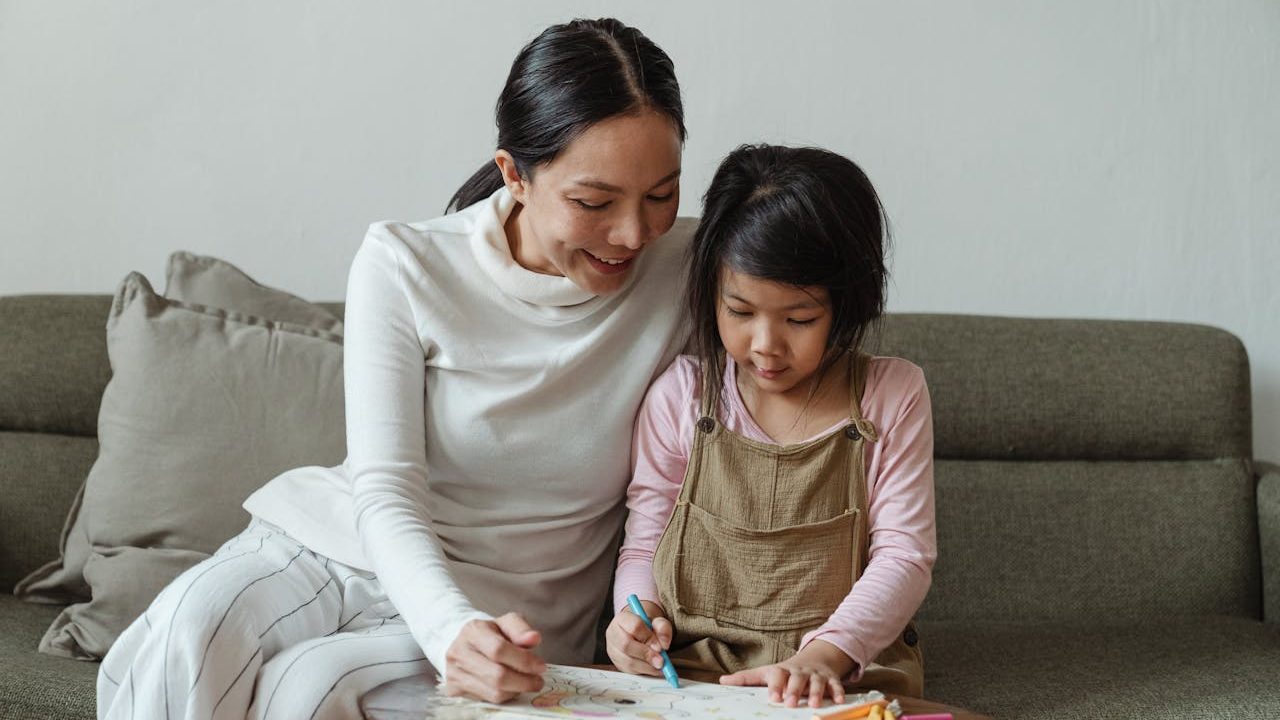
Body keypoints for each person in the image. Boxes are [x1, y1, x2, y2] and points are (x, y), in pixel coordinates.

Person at [97, 18, 692, 719]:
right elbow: (386, 487)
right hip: (339, 549)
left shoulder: (694, 271)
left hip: (510, 618)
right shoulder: (405, 261)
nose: (633, 234)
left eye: (662, 195)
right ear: (515, 175)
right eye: (595, 203)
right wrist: (447, 629)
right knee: (186, 627)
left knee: (309, 690)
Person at [605, 144, 936, 709]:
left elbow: (905, 554)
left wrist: (827, 652)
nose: (765, 344)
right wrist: (636, 620)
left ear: (847, 304)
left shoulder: (891, 395)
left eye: (799, 319)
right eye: (739, 311)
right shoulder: (682, 396)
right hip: (691, 676)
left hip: (840, 676)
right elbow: (645, 541)